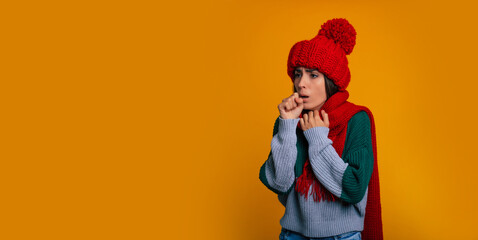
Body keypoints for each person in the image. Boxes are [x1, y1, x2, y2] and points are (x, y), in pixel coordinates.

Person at [258, 18, 383, 240]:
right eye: (298, 73)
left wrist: (316, 138)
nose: (301, 83)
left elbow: (354, 187)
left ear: (332, 81)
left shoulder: (355, 119)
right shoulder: (289, 120)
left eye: (313, 74)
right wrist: (287, 127)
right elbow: (279, 183)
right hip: (293, 234)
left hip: (341, 236)